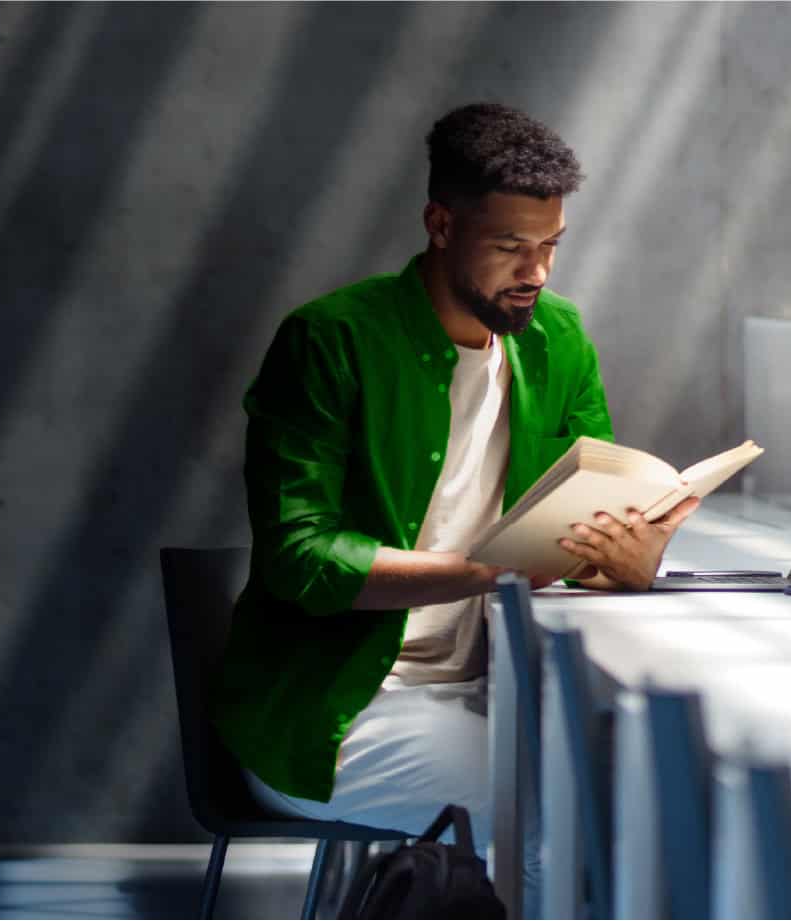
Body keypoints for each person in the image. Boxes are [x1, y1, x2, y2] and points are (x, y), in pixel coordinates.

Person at [210, 102, 700, 857]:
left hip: (497, 690)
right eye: (509, 246)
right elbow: (299, 560)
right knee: (556, 827)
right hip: (341, 708)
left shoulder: (558, 340)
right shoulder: (331, 339)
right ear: (441, 225)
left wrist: (630, 559)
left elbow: (590, 511)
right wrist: (487, 569)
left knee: (656, 801)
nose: (534, 272)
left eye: (549, 246)